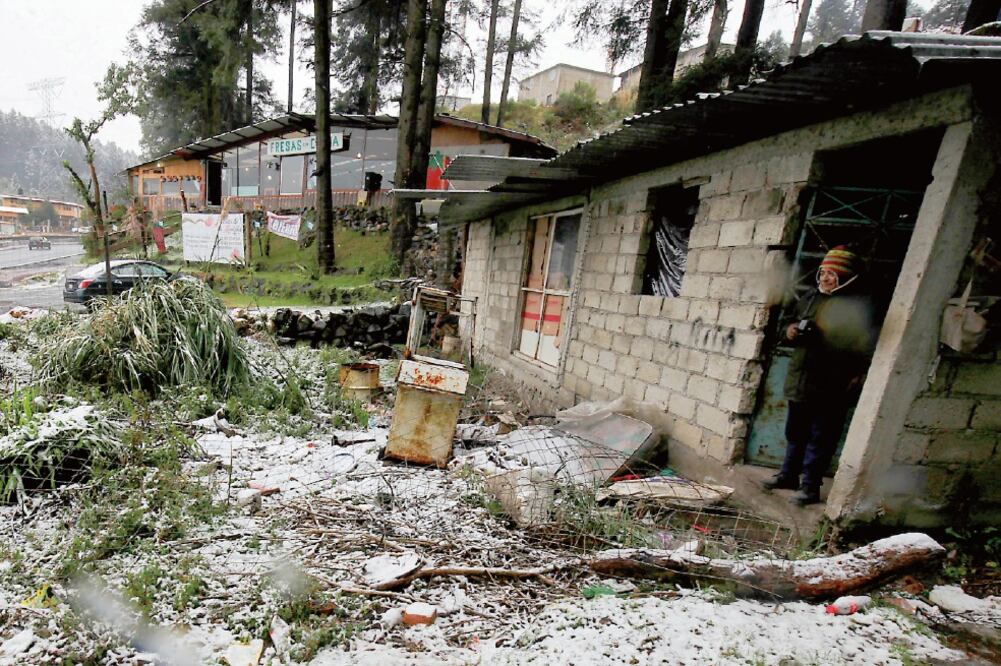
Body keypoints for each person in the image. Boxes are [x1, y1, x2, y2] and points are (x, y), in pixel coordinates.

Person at [762, 246, 877, 506]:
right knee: (795, 432)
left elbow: (864, 345)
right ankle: (788, 475)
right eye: (823, 273)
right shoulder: (810, 298)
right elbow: (785, 326)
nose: (825, 278)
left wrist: (855, 372)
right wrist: (790, 331)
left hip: (832, 384)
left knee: (821, 438)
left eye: (832, 274)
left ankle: (810, 487)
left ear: (845, 277)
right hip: (800, 379)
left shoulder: (857, 307)